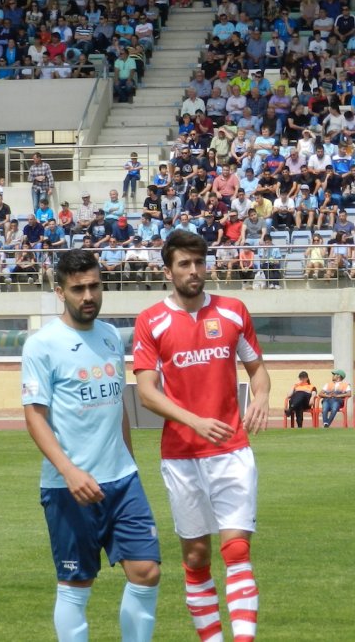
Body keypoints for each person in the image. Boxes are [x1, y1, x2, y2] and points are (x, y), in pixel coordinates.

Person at [133, 230, 270, 642]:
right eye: (184, 264)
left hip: (231, 449)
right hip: (181, 454)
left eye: (199, 262)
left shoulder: (232, 311)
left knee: (237, 551)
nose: (194, 271)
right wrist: (194, 421)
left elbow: (257, 370)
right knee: (195, 556)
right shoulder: (151, 321)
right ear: (168, 270)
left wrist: (261, 397)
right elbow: (146, 393)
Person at [20, 248, 160, 642]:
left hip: (123, 481)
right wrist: (69, 471)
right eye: (78, 288)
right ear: (59, 291)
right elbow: (34, 417)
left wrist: (130, 464)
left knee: (147, 571)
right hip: (69, 487)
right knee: (76, 584)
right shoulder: (42, 345)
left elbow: (119, 407)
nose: (88, 296)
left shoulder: (112, 336)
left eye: (95, 286)